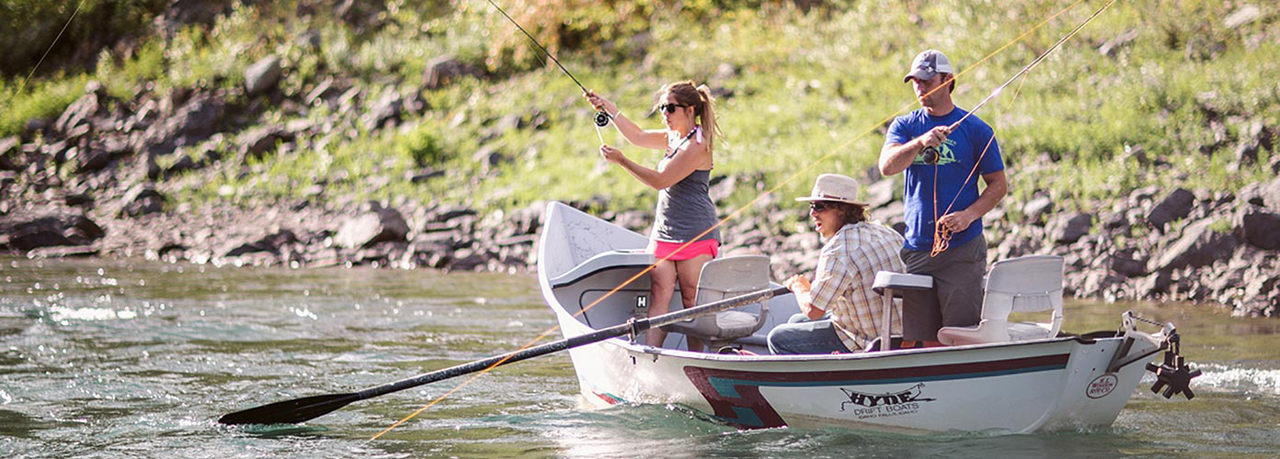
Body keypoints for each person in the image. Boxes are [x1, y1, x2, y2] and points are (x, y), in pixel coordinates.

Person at [878, 49, 1008, 344]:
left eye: (927, 81)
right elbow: (887, 166)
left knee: (959, 336)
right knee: (920, 340)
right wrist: (920, 143)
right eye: (915, 82)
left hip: (962, 251)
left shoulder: (976, 129)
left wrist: (968, 216)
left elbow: (998, 185)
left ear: (948, 80)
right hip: (918, 250)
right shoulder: (905, 126)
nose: (920, 88)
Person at [584, 81, 724, 350]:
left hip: (696, 233)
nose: (665, 114)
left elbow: (661, 180)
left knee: (690, 299)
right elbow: (636, 136)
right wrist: (609, 108)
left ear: (690, 109)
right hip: (665, 232)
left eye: (670, 108)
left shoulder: (697, 145)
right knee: (658, 294)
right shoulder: (672, 137)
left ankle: (696, 359)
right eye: (662, 108)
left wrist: (622, 161)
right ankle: (650, 354)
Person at [767, 174, 906, 355]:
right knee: (796, 321)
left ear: (842, 210)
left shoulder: (838, 250)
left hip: (869, 341)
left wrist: (798, 287)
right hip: (901, 333)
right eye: (811, 206)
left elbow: (813, 310)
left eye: (819, 206)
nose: (812, 213)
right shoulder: (885, 232)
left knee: (778, 338)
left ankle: (816, 382)